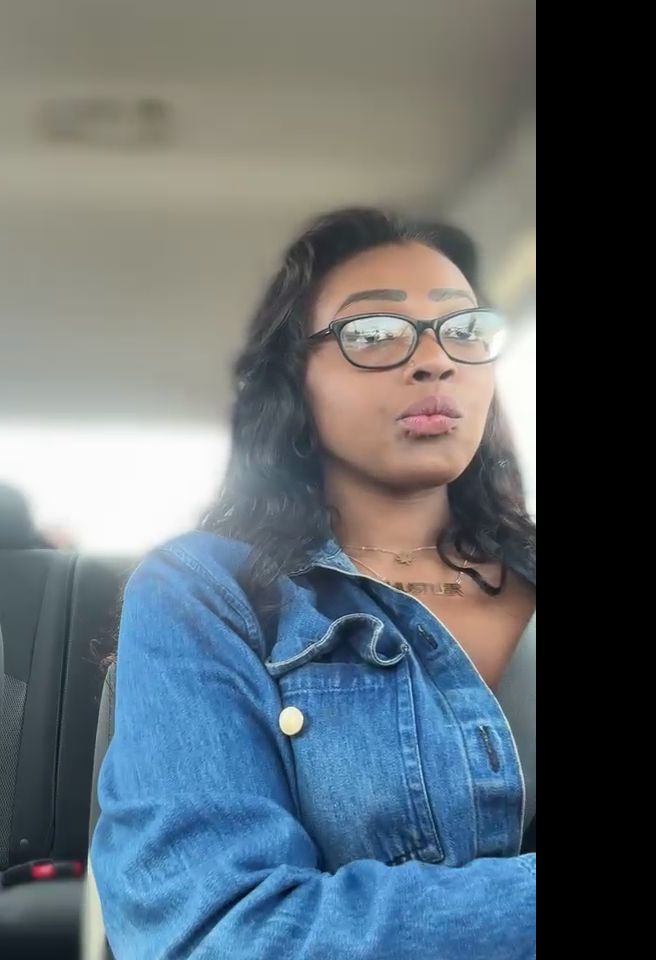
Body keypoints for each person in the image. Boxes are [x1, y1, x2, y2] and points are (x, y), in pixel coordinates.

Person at [91, 208, 536, 959]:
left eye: (465, 330)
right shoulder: (203, 594)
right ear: (294, 378)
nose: (436, 361)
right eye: (374, 333)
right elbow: (215, 930)